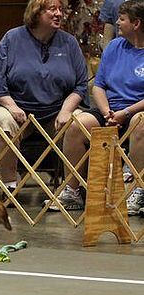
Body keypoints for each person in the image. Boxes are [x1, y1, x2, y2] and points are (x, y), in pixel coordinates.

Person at [0, 0, 87, 198]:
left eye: (61, 10)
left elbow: (80, 86)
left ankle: (72, 190)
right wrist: (11, 106)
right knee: (3, 120)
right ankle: (10, 186)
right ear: (36, 13)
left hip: (55, 112)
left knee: (80, 122)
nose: (59, 14)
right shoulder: (11, 39)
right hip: (15, 108)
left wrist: (66, 110)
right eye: (52, 9)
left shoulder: (69, 43)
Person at [51, 0, 144, 214]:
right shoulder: (114, 47)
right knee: (76, 126)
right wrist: (106, 112)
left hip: (136, 111)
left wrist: (126, 113)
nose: (116, 24)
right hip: (110, 110)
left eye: (121, 19)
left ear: (136, 23)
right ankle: (73, 191)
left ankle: (140, 190)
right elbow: (98, 85)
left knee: (141, 123)